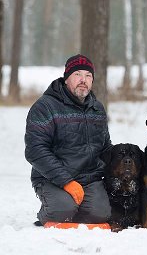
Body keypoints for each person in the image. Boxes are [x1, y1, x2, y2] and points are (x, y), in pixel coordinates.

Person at [25, 54, 112, 226]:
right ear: (66, 78)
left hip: (89, 178)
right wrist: (67, 182)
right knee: (62, 210)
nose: (83, 80)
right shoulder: (45, 107)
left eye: (88, 76)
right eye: (77, 74)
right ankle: (49, 212)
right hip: (52, 178)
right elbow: (35, 150)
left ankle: (78, 208)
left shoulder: (97, 108)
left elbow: (105, 147)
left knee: (101, 214)